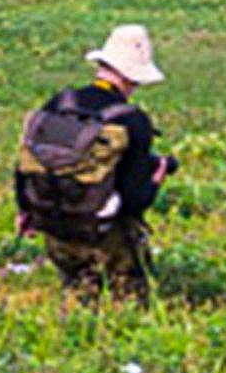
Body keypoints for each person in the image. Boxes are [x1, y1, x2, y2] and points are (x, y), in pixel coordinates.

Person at [13, 24, 174, 301]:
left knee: (77, 303)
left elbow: (28, 161)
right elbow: (135, 200)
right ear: (133, 77)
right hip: (107, 238)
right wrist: (157, 175)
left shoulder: (59, 103)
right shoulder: (131, 120)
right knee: (128, 314)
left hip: (56, 232)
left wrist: (26, 210)